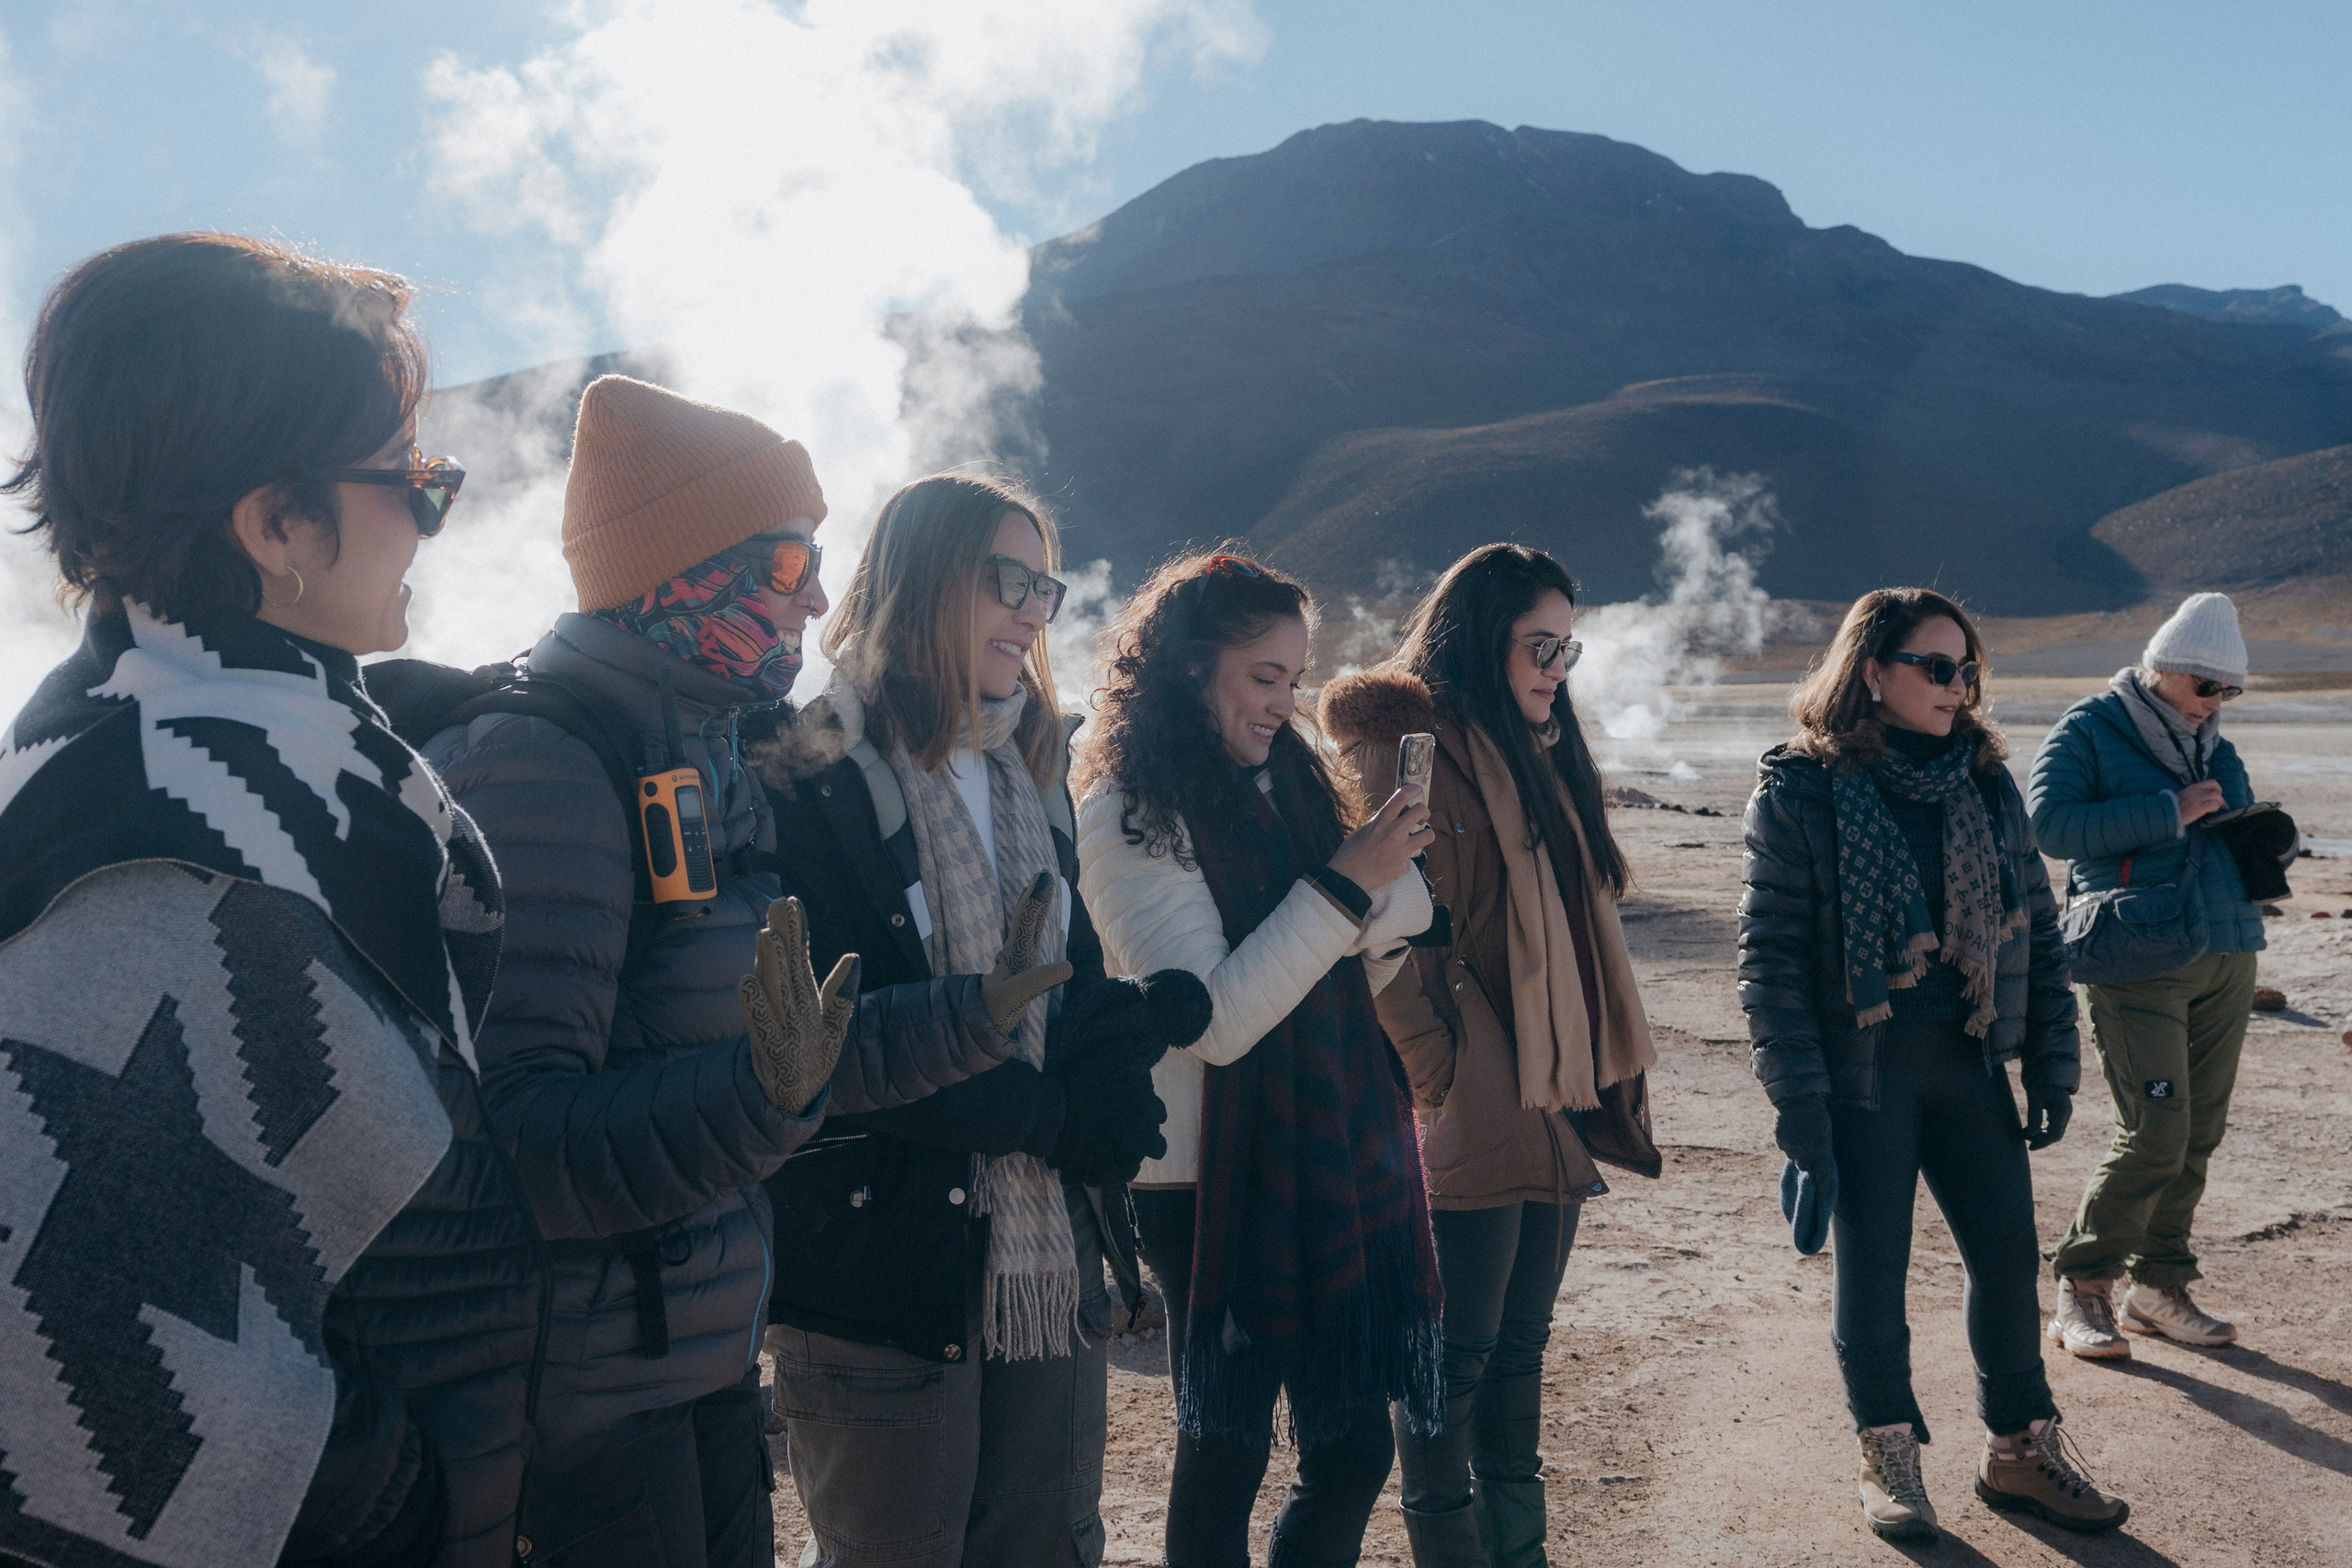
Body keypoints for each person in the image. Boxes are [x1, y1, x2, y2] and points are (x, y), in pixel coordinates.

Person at [423, 380, 1054, 1568]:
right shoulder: (541, 767)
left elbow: (794, 1049)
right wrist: (760, 1095)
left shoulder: (706, 756)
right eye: (783, 566)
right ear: (679, 566)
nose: (818, 600)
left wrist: (973, 1013)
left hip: (697, 1358)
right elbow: (512, 1141)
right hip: (580, 1401)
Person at [0, 232, 539, 1567]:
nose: (432, 513)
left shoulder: (247, 765)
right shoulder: (170, 837)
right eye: (414, 477)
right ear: (277, 525)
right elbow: (66, 1343)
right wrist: (390, 1489)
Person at [754, 475, 1199, 1568]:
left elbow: (1069, 967)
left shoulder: (1027, 768)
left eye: (1046, 587)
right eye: (1007, 581)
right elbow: (824, 1027)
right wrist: (1043, 1115)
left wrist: (1113, 1052)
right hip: (879, 1265)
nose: (1034, 612)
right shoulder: (809, 769)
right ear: (919, 581)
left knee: (1045, 1547)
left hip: (1041, 1257)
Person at [1074, 549, 1442, 1568]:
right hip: (1206, 1173)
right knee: (1226, 1452)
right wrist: (1345, 886)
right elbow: (1219, 1021)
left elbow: (1371, 947)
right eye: (1261, 676)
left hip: (1332, 1147)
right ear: (1190, 671)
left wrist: (1366, 883)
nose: (1286, 703)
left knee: (1354, 1446)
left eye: (1294, 677)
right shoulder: (1126, 813)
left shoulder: (1286, 782)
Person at [1738, 587, 2128, 1541]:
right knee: (1871, 1271)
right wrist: (1796, 1099)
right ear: (1872, 671)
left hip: (1965, 1064)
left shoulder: (1984, 781)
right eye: (1937, 667)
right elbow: (1771, 958)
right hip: (1862, 1076)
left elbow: (2035, 925)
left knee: (2004, 1260)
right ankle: (1886, 1453)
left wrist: (2049, 1060)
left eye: (1968, 669)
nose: (1959, 687)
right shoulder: (1801, 788)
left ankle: (2018, 1452)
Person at [1321, 542, 1661, 1568]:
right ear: (1481, 638)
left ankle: (1520, 1552)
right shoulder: (1409, 747)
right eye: (1538, 644)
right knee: (1452, 1360)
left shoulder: (1537, 748)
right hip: (1474, 1084)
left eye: (1568, 645)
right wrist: (1440, 1067)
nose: (1557, 664)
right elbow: (1380, 933)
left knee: (1518, 1351)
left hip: (1548, 1076)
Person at [2036, 592, 2292, 1357]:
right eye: (2206, 688)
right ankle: (2083, 1283)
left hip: (2226, 952)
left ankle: (2159, 1282)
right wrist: (2165, 810)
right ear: (2164, 669)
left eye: (2227, 693)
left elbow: (2227, 823)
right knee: (2156, 1130)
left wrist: (2263, 840)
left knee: (2199, 1132)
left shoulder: (2213, 742)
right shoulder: (2090, 728)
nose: (2214, 706)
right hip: (2135, 957)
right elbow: (2049, 826)